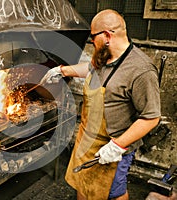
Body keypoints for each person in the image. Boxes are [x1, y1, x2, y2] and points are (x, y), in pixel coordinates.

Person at [41, 9, 161, 200]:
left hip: (111, 147)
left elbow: (151, 117)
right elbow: (90, 69)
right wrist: (62, 71)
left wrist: (117, 146)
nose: (91, 41)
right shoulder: (106, 55)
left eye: (92, 36)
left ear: (106, 35)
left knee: (113, 192)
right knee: (83, 183)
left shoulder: (141, 70)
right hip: (87, 139)